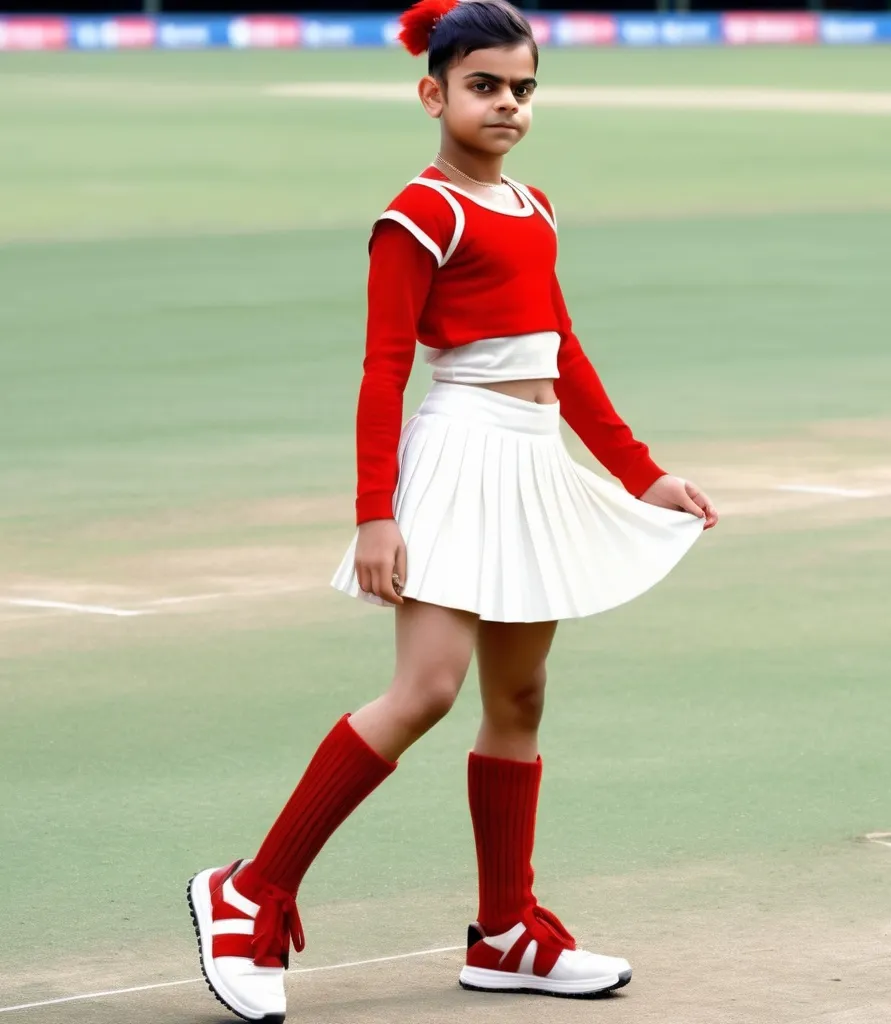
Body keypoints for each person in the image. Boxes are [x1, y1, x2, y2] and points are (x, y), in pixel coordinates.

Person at [186, 1, 718, 1019]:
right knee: (426, 688)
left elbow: (565, 354)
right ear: (433, 93)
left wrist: (637, 472)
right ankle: (250, 888)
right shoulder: (419, 213)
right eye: (484, 85)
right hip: (456, 459)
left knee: (517, 701)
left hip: (531, 462)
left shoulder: (537, 206)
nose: (506, 104)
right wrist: (374, 513)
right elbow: (383, 370)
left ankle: (504, 930)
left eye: (522, 87)